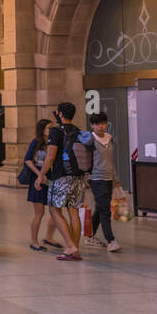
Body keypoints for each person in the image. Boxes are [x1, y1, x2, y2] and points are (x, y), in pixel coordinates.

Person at [38, 102, 85, 261]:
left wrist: (41, 175)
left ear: (60, 114)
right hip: (78, 177)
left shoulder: (55, 131)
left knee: (54, 209)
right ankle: (75, 249)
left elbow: (51, 156)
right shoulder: (78, 131)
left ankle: (70, 246)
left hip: (61, 176)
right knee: (73, 211)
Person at [22, 119, 62, 251]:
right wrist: (39, 174)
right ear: (42, 130)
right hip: (38, 178)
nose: (51, 130)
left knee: (56, 210)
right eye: (48, 128)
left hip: (51, 178)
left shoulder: (54, 142)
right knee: (39, 212)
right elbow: (27, 160)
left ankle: (49, 237)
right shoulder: (36, 142)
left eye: (52, 127)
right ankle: (34, 241)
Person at [85, 113, 122, 253]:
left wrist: (116, 179)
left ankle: (89, 235)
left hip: (108, 178)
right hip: (96, 179)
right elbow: (85, 161)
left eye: (103, 123)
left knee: (101, 208)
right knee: (105, 210)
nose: (100, 126)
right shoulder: (90, 140)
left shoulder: (109, 138)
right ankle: (111, 240)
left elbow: (110, 161)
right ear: (92, 125)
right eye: (97, 124)